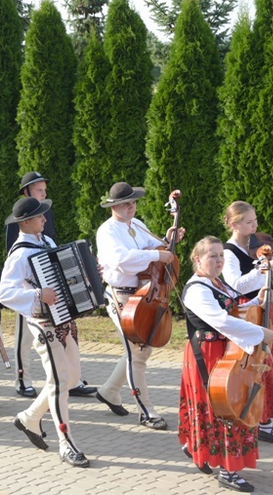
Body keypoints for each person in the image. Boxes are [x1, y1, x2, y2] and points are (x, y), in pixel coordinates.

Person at [180, 236, 273, 492]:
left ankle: (205, 453)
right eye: (212, 256)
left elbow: (236, 309)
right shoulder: (197, 289)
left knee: (229, 407)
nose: (218, 260)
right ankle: (226, 469)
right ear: (197, 259)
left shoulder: (218, 284)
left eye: (220, 256)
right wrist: (260, 333)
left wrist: (257, 301)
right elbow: (221, 320)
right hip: (208, 355)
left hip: (227, 354)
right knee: (223, 409)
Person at [0, 197, 89, 468]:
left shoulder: (46, 243)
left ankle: (28, 418)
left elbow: (63, 277)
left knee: (71, 378)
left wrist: (85, 277)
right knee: (61, 382)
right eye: (40, 216)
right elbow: (4, 293)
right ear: (25, 222)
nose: (45, 219)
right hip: (43, 325)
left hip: (64, 321)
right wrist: (38, 295)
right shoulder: (19, 254)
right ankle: (66, 443)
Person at [95, 182, 184, 430]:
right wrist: (157, 256)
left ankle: (109, 391)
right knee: (138, 354)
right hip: (121, 295)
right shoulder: (107, 231)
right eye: (125, 203)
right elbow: (121, 260)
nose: (131, 206)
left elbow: (152, 247)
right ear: (113, 206)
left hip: (143, 294)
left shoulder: (138, 224)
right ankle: (146, 411)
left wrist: (167, 240)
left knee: (141, 352)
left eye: (133, 202)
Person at [6, 172, 95, 399]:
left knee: (66, 367)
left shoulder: (44, 233)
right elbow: (12, 276)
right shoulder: (20, 236)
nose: (44, 196)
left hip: (57, 309)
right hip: (35, 305)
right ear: (26, 192)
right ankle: (23, 379)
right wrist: (36, 293)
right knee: (24, 341)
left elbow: (59, 263)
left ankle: (66, 386)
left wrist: (86, 276)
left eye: (45, 191)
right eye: (39, 191)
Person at [222, 201, 273, 444]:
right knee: (257, 365)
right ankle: (258, 419)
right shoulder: (228, 252)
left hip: (270, 311)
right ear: (234, 224)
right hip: (249, 315)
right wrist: (265, 268)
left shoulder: (260, 248)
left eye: (255, 221)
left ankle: (265, 419)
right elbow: (236, 285)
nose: (255, 226)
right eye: (249, 222)